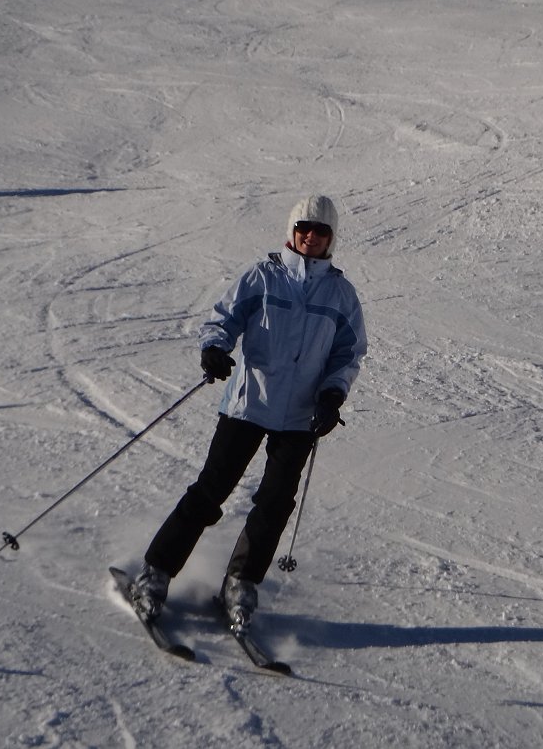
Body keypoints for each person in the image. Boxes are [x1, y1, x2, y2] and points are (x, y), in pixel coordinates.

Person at [132, 195, 367, 630]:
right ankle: (156, 571)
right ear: (292, 230)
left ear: (332, 238)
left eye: (321, 231)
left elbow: (348, 353)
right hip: (248, 404)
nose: (311, 237)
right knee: (211, 490)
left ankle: (240, 582)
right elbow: (223, 318)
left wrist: (332, 395)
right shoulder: (264, 275)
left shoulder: (340, 293)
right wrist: (215, 348)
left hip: (300, 416)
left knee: (275, 504)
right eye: (304, 228)